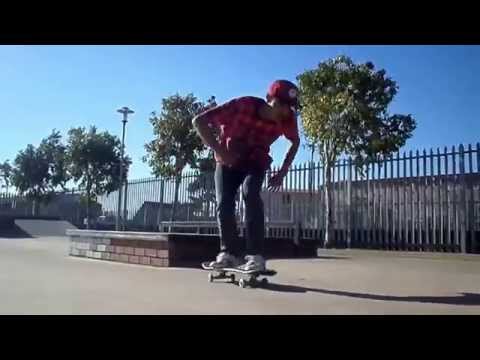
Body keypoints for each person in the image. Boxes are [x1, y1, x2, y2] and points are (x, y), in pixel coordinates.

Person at [192, 80, 300, 271]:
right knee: (224, 203)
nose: (282, 112)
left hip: (255, 162)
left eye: (288, 107)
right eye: (280, 105)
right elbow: (198, 121)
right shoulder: (243, 105)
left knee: (250, 194)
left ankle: (255, 255)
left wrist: (283, 172)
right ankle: (228, 254)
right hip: (228, 159)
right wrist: (220, 150)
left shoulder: (288, 119)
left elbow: (294, 142)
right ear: (268, 99)